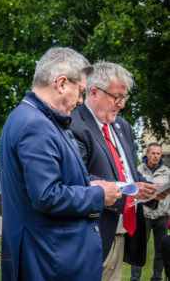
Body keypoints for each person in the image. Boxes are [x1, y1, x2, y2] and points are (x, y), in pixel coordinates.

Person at [0, 47, 122, 281]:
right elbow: (47, 195)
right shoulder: (35, 124)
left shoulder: (38, 119)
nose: (79, 101)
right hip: (49, 261)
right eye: (80, 92)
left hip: (51, 257)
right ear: (62, 83)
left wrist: (92, 184)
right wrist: (97, 195)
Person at [70, 61, 163, 281]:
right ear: (94, 92)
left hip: (123, 232)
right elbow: (78, 177)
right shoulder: (74, 125)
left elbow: (130, 174)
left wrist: (150, 189)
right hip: (94, 231)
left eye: (124, 98)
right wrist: (130, 189)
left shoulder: (123, 127)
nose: (122, 104)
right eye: (117, 97)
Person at [131, 143, 170, 281]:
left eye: (158, 154)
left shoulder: (167, 172)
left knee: (160, 250)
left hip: (162, 217)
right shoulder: (138, 170)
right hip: (143, 216)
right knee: (138, 248)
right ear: (147, 154)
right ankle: (135, 279)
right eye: (153, 153)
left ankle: (157, 278)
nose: (156, 156)